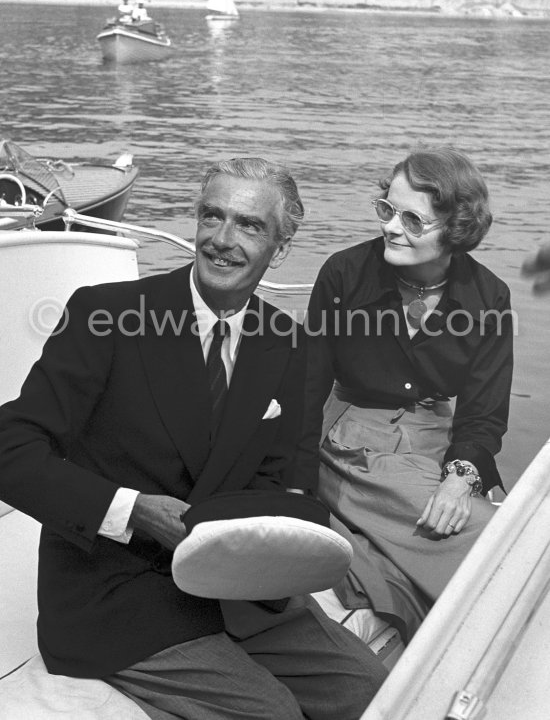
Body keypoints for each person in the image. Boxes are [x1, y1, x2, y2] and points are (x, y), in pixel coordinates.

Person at [0, 157, 386, 720]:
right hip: (115, 591)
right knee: (270, 711)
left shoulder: (292, 344)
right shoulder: (105, 315)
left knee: (368, 688)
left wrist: (293, 539)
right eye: (212, 216)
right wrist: (130, 510)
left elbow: (292, 482)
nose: (222, 240)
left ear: (280, 248)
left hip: (238, 588)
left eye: (249, 225)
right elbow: (10, 449)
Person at [296, 147, 514, 642]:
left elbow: (484, 414)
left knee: (477, 519)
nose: (392, 227)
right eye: (387, 210)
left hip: (440, 442)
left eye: (413, 219)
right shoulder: (344, 275)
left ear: (456, 228)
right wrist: (295, 484)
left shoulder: (490, 297)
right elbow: (307, 388)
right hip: (352, 441)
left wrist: (460, 478)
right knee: (495, 543)